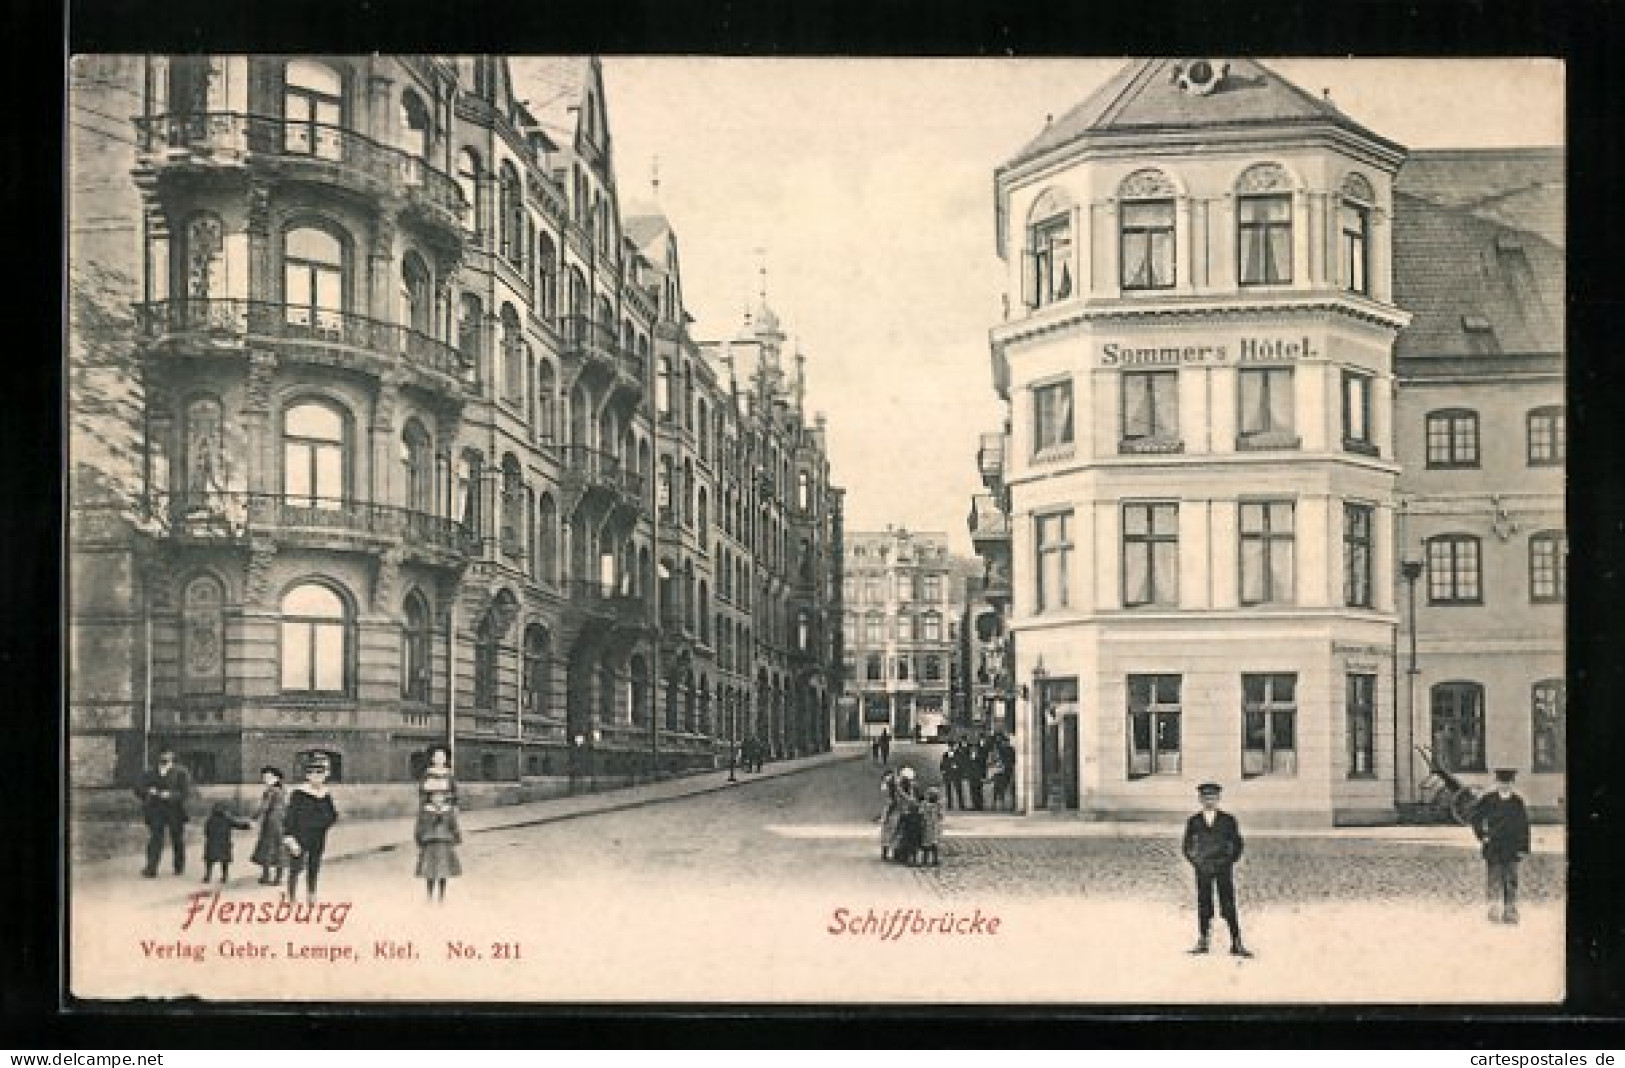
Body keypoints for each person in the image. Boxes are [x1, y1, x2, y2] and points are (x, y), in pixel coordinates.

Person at [1182, 782, 1251, 957]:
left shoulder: (1228, 820)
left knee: (1228, 903)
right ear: (1200, 799)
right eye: (1205, 797)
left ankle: (1236, 942)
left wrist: (1229, 861)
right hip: (1203, 868)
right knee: (1204, 903)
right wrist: (1196, 862)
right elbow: (1187, 846)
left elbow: (1237, 844)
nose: (1209, 801)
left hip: (1223, 867)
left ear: (1218, 798)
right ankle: (1203, 940)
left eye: (1212, 797)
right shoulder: (1194, 821)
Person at [1472, 768, 1532, 924]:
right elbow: (1476, 818)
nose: (1504, 786)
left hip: (1512, 847)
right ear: (1496, 783)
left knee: (1511, 879)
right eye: (1501, 783)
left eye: (1507, 783)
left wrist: (1523, 848)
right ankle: (1493, 910)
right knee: (1494, 878)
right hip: (1494, 846)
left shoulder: (1517, 802)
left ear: (1512, 784)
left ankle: (1510, 910)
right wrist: (1482, 835)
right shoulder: (1488, 800)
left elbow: (1524, 826)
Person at [283, 755, 339, 902]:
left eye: (320, 774)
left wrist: (324, 823)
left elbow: (333, 814)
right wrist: (289, 837)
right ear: (308, 776)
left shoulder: (325, 794)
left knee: (314, 864)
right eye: (313, 774)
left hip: (318, 836)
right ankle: (291, 896)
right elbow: (290, 815)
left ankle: (311, 894)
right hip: (300, 835)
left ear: (324, 776)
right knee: (296, 866)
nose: (317, 777)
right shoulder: (299, 794)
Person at [135, 748, 193, 878]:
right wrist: (148, 791)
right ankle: (151, 868)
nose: (164, 757)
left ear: (172, 756)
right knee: (155, 838)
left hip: (175, 810)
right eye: (162, 754)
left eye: (167, 754)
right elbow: (138, 788)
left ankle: (178, 866)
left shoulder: (181, 772)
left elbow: (185, 792)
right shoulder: (150, 772)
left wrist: (171, 795)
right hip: (155, 809)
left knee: (177, 838)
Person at [414, 791, 463, 903]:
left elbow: (453, 825)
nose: (438, 799)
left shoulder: (448, 811)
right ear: (431, 798)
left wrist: (456, 837)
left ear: (444, 798)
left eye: (440, 796)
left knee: (443, 871)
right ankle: (429, 897)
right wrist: (419, 839)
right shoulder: (425, 811)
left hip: (444, 843)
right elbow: (419, 825)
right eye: (435, 796)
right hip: (430, 843)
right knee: (429, 872)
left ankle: (441, 897)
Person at [250, 765, 287, 886]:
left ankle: (266, 876)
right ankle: (278, 878)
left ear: (276, 778)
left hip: (271, 822)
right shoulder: (283, 790)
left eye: (269, 777)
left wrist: (253, 818)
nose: (266, 779)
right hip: (282, 821)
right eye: (265, 777)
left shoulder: (270, 791)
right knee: (279, 847)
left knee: (267, 847)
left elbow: (264, 807)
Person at [201, 801, 250, 883]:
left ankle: (207, 877)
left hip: (212, 843)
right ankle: (224, 877)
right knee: (224, 861)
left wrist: (210, 838)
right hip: (224, 843)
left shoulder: (210, 819)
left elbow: (206, 831)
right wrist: (247, 826)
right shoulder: (227, 819)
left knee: (210, 860)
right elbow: (238, 825)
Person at [893, 771, 924, 866]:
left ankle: (905, 854)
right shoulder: (901, 790)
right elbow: (901, 799)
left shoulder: (912, 788)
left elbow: (917, 798)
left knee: (906, 836)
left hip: (911, 814)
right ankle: (901, 853)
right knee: (902, 834)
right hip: (904, 813)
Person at [878, 770, 901, 861]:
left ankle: (886, 852)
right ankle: (893, 853)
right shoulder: (894, 793)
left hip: (891, 813)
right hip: (893, 814)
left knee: (888, 833)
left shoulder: (891, 794)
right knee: (893, 833)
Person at [919, 786, 945, 867]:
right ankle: (932, 860)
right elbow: (941, 816)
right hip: (931, 826)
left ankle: (929, 860)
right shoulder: (936, 805)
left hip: (930, 826)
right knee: (931, 844)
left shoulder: (926, 805)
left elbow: (921, 813)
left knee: (930, 844)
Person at [966, 737, 989, 811]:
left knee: (978, 791)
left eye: (974, 751)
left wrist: (983, 776)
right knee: (972, 791)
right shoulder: (969, 759)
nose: (973, 752)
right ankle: (975, 806)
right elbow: (968, 768)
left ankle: (979, 806)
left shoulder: (980, 759)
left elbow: (983, 768)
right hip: (971, 776)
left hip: (978, 777)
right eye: (972, 751)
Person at [938, 743, 962, 811]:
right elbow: (942, 764)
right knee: (948, 791)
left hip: (955, 774)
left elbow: (960, 763)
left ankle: (961, 805)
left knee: (958, 789)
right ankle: (949, 805)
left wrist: (957, 767)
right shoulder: (945, 755)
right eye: (950, 747)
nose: (951, 748)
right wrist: (943, 770)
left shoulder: (958, 754)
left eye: (952, 747)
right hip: (948, 774)